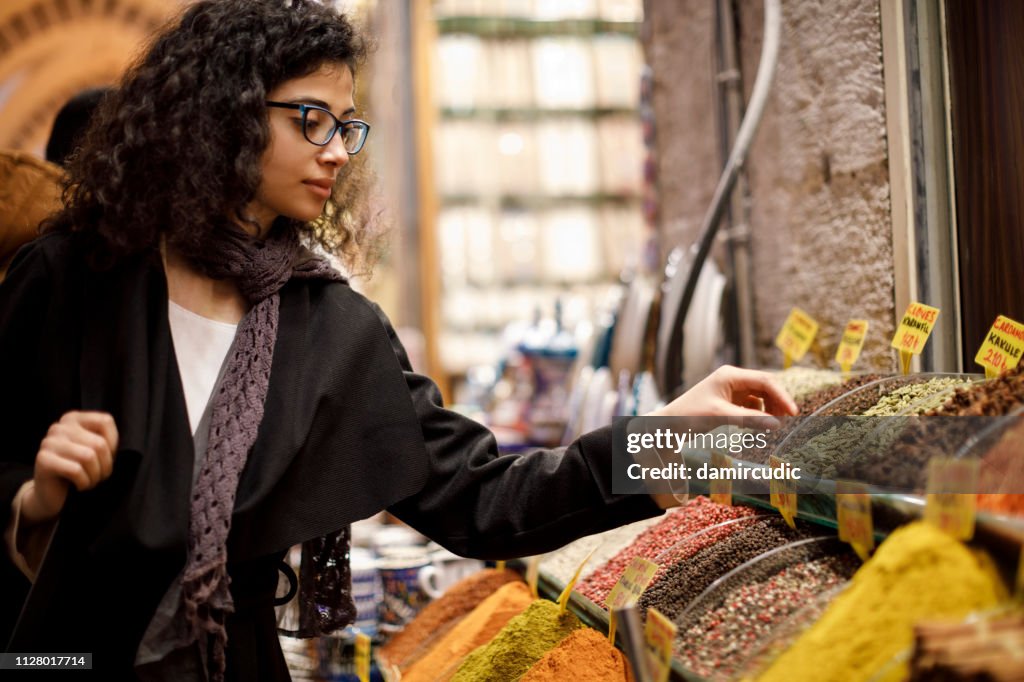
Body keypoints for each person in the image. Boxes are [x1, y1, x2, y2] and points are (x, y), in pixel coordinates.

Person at [0, 1, 797, 679]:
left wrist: (668, 443)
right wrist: (33, 501)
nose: (339, 151)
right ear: (222, 113)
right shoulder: (74, 277)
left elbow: (486, 499)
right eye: (311, 119)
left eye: (348, 126)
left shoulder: (333, 330)